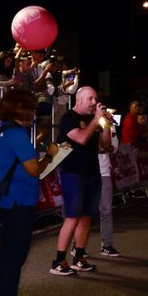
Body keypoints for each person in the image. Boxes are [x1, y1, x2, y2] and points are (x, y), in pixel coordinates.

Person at [0, 89, 60, 296]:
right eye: (30, 109)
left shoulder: (5, 132)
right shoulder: (16, 135)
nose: (33, 113)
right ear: (21, 109)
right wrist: (50, 156)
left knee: (12, 259)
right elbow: (33, 170)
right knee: (12, 260)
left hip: (10, 202)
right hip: (18, 203)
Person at [50, 86, 111, 276]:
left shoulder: (94, 120)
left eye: (95, 98)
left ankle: (79, 256)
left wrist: (107, 124)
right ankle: (59, 261)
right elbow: (82, 139)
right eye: (90, 99)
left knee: (86, 217)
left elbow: (104, 145)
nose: (94, 102)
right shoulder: (69, 118)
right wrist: (95, 120)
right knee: (72, 217)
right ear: (79, 100)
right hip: (73, 174)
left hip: (92, 173)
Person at [97, 104, 120, 257]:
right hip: (89, 172)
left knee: (106, 210)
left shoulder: (110, 126)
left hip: (104, 171)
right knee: (84, 212)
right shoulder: (90, 123)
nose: (106, 113)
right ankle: (76, 246)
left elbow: (114, 148)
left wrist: (109, 126)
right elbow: (100, 146)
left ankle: (107, 244)